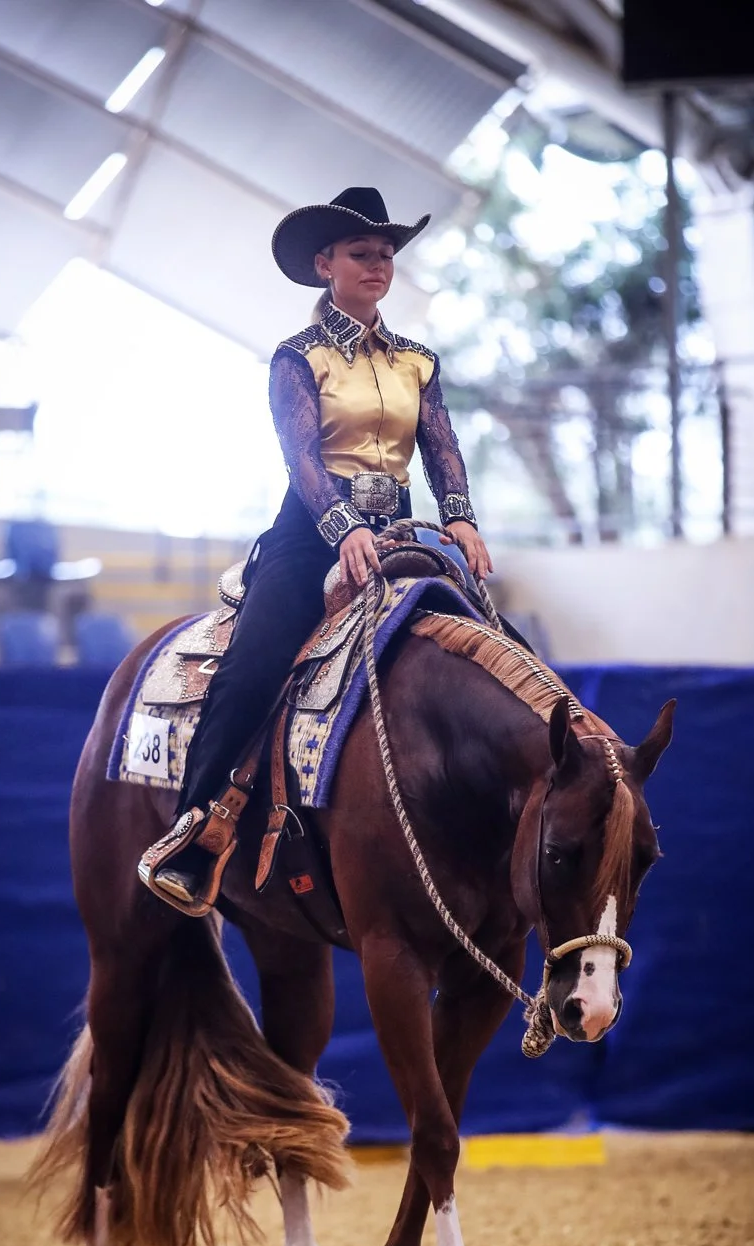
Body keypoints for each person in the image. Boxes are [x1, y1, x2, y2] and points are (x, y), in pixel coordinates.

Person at [138, 186, 493, 916]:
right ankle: (195, 828)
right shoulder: (298, 357)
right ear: (324, 263)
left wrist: (460, 518)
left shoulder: (418, 361)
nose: (380, 266)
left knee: (495, 640)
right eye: (364, 254)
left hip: (400, 528)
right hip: (312, 528)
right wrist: (342, 528)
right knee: (252, 666)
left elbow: (442, 445)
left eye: (388, 254)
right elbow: (301, 457)